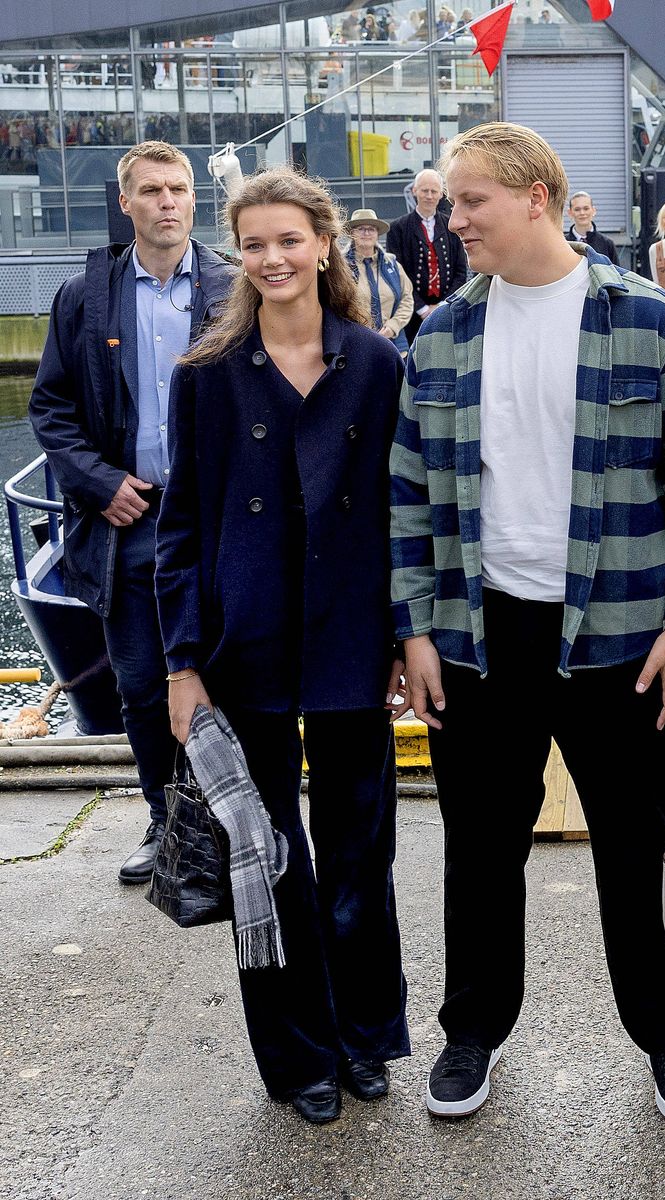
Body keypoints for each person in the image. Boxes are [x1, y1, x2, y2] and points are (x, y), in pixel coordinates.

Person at [390, 121, 665, 1125]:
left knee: (637, 849)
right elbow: (408, 495)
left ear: (535, 196)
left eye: (469, 203)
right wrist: (413, 630)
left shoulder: (649, 323)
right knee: (478, 851)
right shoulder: (442, 332)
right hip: (479, 636)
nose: (452, 224)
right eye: (451, 204)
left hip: (621, 638)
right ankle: (469, 1034)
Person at [155, 166, 411, 1126]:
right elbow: (179, 529)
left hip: (350, 637)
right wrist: (183, 665)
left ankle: (364, 1035)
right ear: (237, 253)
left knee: (358, 853)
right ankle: (296, 1055)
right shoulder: (208, 379)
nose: (272, 259)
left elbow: (399, 517)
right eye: (253, 244)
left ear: (325, 242)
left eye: (288, 240)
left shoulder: (376, 366)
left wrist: (403, 638)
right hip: (243, 644)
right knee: (266, 859)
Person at [28, 141, 236, 884]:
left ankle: (233, 818)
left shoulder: (230, 285)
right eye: (151, 190)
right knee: (145, 685)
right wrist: (97, 482)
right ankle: (166, 819)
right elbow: (50, 407)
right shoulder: (87, 297)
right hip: (129, 522)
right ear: (127, 203)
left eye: (178, 188)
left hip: (217, 524)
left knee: (227, 678)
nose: (168, 202)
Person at [386, 168, 467, 345]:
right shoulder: (398, 228)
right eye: (424, 190)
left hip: (447, 309)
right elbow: (397, 275)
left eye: (434, 191)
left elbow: (461, 272)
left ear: (441, 194)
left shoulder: (452, 226)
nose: (429, 196)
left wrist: (441, 306)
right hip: (411, 316)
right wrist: (422, 309)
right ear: (415, 191)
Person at [344, 207, 414, 355]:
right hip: (355, 346)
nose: (366, 233)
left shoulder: (393, 265)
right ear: (352, 234)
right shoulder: (341, 267)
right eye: (361, 229)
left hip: (393, 345)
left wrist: (393, 326)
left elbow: (407, 299)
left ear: (377, 234)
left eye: (371, 229)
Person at [565, 190, 619, 264]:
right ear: (570, 213)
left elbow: (616, 274)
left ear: (593, 210)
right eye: (577, 209)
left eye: (586, 208)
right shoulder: (563, 243)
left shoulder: (607, 244)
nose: (582, 213)